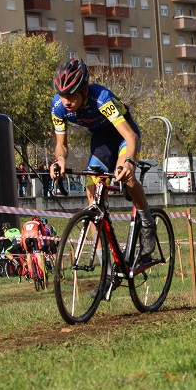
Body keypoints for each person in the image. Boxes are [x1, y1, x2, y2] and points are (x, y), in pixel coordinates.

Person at [50, 58, 157, 261]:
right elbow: (61, 145)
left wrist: (129, 163)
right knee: (92, 198)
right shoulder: (58, 107)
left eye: (71, 95)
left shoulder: (101, 98)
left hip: (124, 134)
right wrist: (60, 160)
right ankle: (107, 267)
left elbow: (130, 137)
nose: (66, 101)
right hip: (101, 140)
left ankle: (147, 221)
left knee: (125, 176)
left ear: (84, 91)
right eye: (62, 95)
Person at [21, 215, 47, 284]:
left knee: (28, 254)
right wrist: (45, 244)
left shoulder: (25, 224)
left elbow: (22, 236)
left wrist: (24, 247)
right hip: (34, 236)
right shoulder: (38, 223)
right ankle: (42, 272)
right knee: (38, 254)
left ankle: (30, 271)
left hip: (26, 238)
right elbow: (43, 234)